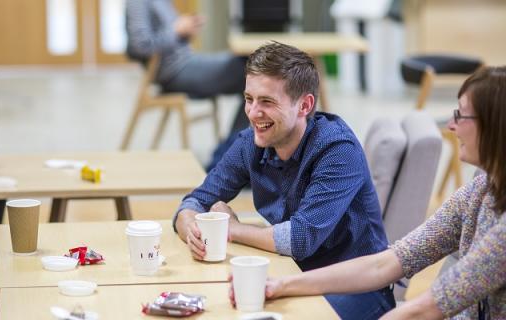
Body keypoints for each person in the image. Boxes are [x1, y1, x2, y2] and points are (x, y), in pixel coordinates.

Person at [230, 66, 506, 319]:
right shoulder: (479, 190)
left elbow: (426, 309)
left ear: (495, 125)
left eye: (460, 114)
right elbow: (386, 264)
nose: (451, 125)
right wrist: (281, 285)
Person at [173, 42, 393, 319]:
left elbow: (300, 239)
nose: (253, 113)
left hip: (357, 290)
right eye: (249, 99)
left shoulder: (337, 151)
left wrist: (233, 229)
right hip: (289, 274)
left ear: (305, 105)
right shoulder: (251, 143)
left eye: (267, 102)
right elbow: (196, 200)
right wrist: (190, 227)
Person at [125, 0, 246, 118]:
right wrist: (177, 31)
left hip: (186, 61)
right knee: (251, 70)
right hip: (174, 71)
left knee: (253, 67)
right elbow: (139, 46)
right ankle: (238, 138)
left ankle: (240, 137)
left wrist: (185, 31)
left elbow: (172, 36)